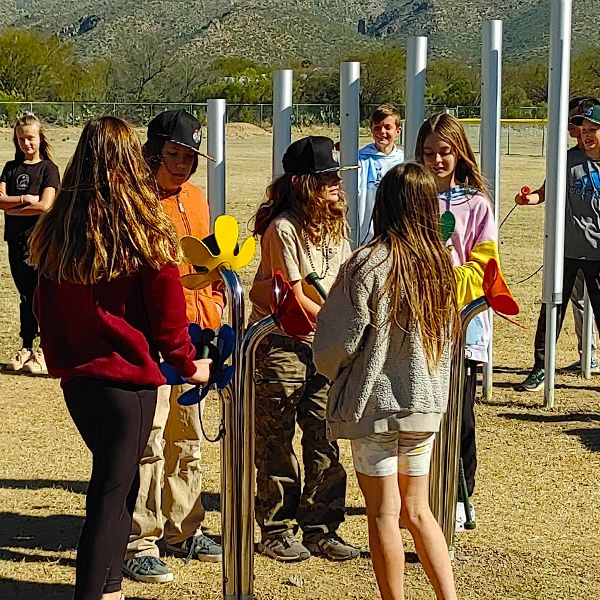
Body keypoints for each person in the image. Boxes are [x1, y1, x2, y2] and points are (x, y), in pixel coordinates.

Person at [28, 115, 212, 600]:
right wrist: (190, 364)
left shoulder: (58, 227)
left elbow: (40, 305)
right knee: (109, 500)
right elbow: (169, 314)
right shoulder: (144, 226)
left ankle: (110, 587)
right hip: (126, 381)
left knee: (121, 487)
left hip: (78, 380)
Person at [313, 162, 459, 600]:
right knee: (419, 511)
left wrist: (330, 369)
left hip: (375, 405)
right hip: (424, 404)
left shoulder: (367, 263)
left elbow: (338, 340)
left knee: (382, 513)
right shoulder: (441, 265)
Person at [123, 109, 225, 584]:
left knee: (187, 435)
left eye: (190, 157)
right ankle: (138, 539)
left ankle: (185, 528)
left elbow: (206, 257)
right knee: (148, 438)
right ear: (152, 152)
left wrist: (217, 291)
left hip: (196, 333)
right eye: (175, 155)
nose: (183, 165)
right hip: (152, 336)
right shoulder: (135, 202)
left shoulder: (197, 199)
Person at [248, 135, 359, 562]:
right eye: (327, 177)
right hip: (283, 345)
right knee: (276, 437)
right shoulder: (284, 229)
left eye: (337, 176)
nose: (336, 184)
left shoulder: (336, 227)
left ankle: (321, 526)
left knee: (325, 434)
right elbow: (294, 295)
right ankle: (275, 528)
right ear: (303, 184)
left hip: (324, 347)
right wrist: (341, 324)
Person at [415, 112, 499, 530]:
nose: (436, 160)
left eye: (445, 152)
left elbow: (485, 265)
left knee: (459, 416)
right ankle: (423, 495)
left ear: (459, 153)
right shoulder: (411, 198)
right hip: (418, 328)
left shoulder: (477, 204)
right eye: (429, 153)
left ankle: (460, 493)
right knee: (421, 415)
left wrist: (446, 283)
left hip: (462, 328)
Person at [515, 97, 600, 391]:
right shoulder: (568, 160)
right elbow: (544, 192)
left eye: (593, 129)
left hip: (597, 256)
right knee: (551, 310)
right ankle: (541, 368)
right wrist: (530, 199)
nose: (586, 134)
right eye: (582, 128)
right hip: (565, 253)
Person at [0, 112, 59, 374]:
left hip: (41, 244)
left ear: (40, 138)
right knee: (25, 296)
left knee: (42, 296)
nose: (27, 144)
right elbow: (0, 201)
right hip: (15, 241)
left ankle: (45, 350)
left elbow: (46, 204)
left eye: (31, 138)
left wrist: (13, 206)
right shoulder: (10, 168)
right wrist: (25, 199)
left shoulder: (49, 169)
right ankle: (26, 346)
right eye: (22, 139)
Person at [357, 103, 404, 244]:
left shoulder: (403, 160)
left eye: (387, 127)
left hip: (396, 235)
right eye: (377, 127)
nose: (382, 132)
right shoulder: (360, 158)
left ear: (398, 131)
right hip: (364, 236)